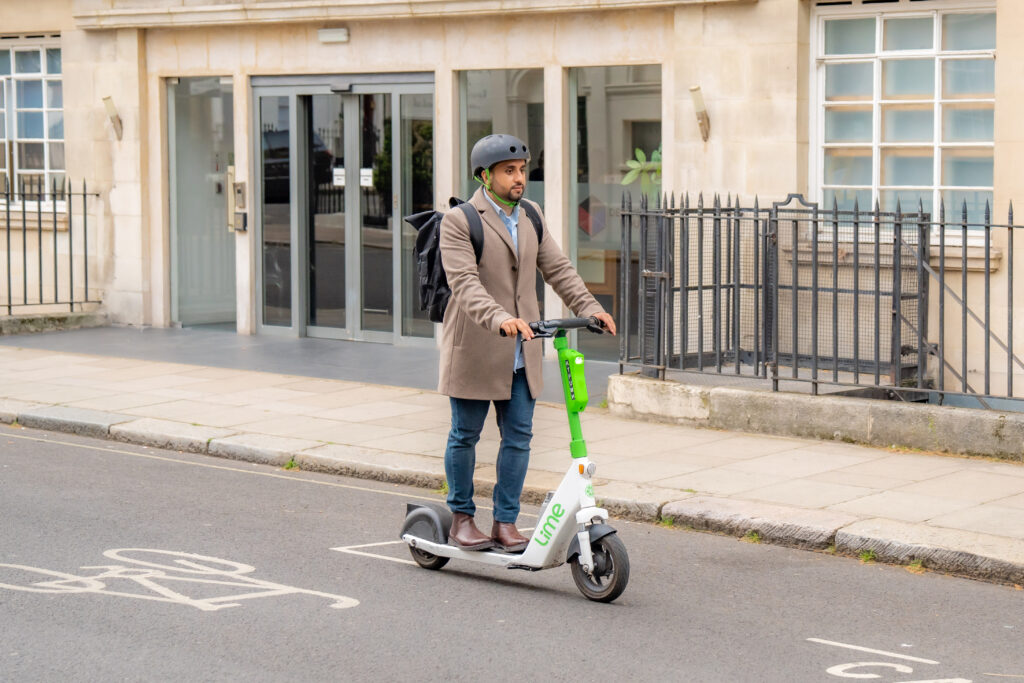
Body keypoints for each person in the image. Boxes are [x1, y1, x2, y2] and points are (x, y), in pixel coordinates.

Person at [438, 133, 616, 552]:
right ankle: (461, 517)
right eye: (509, 171)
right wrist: (500, 319)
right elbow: (464, 285)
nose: (519, 179)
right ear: (485, 175)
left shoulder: (531, 214)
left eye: (522, 170)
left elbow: (557, 267)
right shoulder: (461, 221)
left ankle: (505, 523)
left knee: (518, 437)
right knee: (465, 434)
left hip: (523, 349)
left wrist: (591, 307)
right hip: (478, 348)